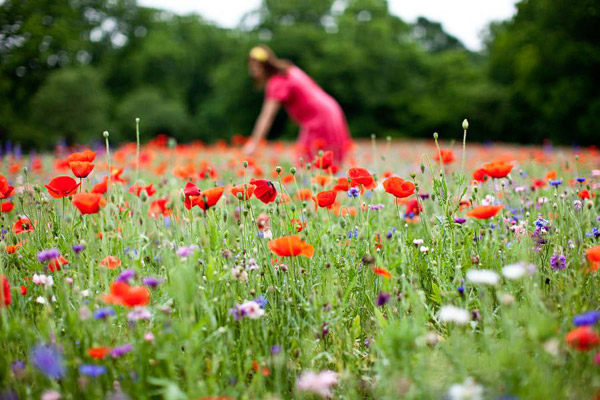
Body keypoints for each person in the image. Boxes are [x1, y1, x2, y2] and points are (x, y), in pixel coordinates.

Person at [243, 45, 351, 165]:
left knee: (307, 163)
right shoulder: (289, 70)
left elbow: (266, 117)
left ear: (266, 66)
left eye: (256, 66)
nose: (252, 71)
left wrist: (254, 144)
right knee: (326, 163)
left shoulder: (277, 82)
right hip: (331, 109)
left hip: (319, 120)